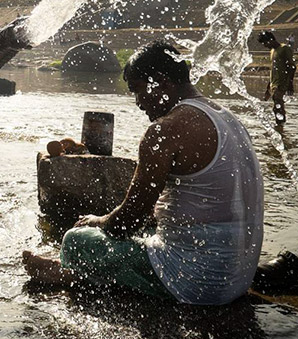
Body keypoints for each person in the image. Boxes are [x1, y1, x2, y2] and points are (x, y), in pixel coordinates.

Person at [23, 40, 264, 305]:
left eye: (137, 91)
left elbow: (128, 220)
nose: (138, 103)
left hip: (197, 283)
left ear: (161, 81)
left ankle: (70, 273)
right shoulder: (226, 116)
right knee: (148, 230)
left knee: (77, 239)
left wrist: (97, 221)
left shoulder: (165, 129)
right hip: (239, 277)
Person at [257, 30, 296, 126]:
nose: (265, 46)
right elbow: (273, 70)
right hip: (274, 83)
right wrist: (268, 88)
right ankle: (280, 129)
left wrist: (290, 84)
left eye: (265, 43)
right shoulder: (273, 51)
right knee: (276, 106)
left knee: (277, 104)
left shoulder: (284, 49)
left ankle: (281, 125)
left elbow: (292, 67)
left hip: (282, 82)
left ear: (271, 40)